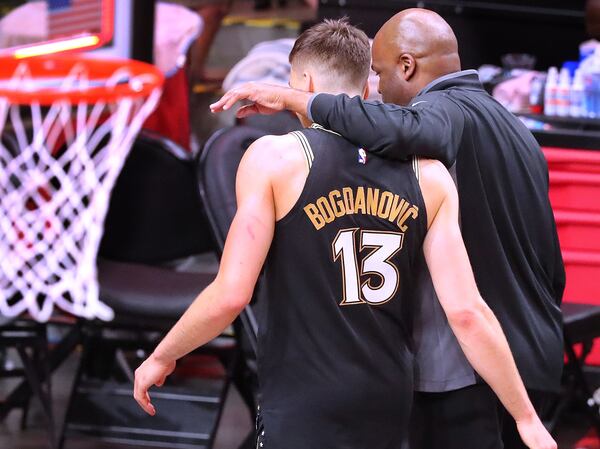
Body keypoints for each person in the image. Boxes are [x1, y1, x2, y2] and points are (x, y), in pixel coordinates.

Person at [136, 19, 556, 449]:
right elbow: (469, 313)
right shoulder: (427, 176)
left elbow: (231, 295)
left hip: (304, 398)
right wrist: (526, 418)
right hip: (388, 398)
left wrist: (162, 355)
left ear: (306, 81)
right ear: (369, 89)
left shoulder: (273, 158)